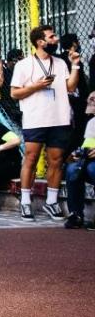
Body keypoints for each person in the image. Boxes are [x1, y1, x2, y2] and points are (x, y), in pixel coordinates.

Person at [10, 24, 82, 221]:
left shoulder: (60, 63)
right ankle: (25, 201)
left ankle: (52, 201)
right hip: (35, 119)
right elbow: (14, 93)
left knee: (56, 161)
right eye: (52, 37)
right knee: (31, 159)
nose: (56, 39)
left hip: (59, 118)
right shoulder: (23, 65)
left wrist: (75, 64)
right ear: (40, 42)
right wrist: (35, 86)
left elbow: (70, 86)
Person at [63, 95, 95, 229]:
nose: (91, 99)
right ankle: (76, 215)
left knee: (92, 169)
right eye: (90, 97)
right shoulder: (92, 123)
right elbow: (89, 147)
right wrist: (80, 155)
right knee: (73, 168)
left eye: (94, 97)